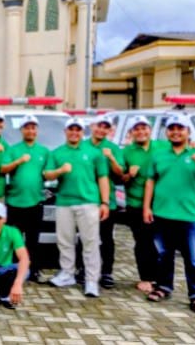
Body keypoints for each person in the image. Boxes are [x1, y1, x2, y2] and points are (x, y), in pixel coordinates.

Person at [143, 115, 195, 314]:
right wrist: (147, 207)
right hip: (162, 214)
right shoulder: (159, 155)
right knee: (163, 255)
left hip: (189, 216)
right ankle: (163, 287)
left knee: (193, 258)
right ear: (167, 132)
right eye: (172, 128)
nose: (176, 132)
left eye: (180, 128)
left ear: (188, 131)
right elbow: (150, 181)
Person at [44, 117, 110, 298]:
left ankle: (91, 280)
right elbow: (47, 175)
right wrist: (60, 171)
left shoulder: (94, 153)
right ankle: (67, 274)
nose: (74, 133)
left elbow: (103, 178)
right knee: (65, 241)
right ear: (65, 132)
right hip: (64, 202)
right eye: (71, 129)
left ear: (82, 132)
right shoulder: (57, 153)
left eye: (78, 130)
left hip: (88, 202)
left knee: (90, 242)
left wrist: (105, 202)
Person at [0, 114, 50, 284]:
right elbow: (3, 169)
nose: (30, 131)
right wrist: (18, 161)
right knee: (15, 239)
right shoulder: (13, 150)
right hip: (15, 202)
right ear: (22, 130)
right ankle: (14, 269)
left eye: (33, 127)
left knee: (33, 239)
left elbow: (49, 173)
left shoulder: (44, 151)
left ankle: (33, 270)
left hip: (35, 202)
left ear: (37, 130)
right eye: (27, 127)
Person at [121, 115, 164, 293]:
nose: (141, 132)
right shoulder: (126, 152)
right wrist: (128, 175)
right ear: (131, 132)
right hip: (136, 204)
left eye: (144, 128)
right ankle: (146, 277)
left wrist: (193, 146)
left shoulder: (163, 146)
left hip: (160, 203)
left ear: (150, 129)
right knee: (143, 242)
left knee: (160, 242)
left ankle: (161, 278)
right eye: (136, 129)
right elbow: (119, 179)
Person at [85, 115, 124, 289]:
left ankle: (107, 272)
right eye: (99, 126)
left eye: (105, 127)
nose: (101, 130)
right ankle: (84, 270)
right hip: (86, 199)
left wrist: (111, 158)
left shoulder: (113, 148)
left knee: (106, 238)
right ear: (92, 126)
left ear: (109, 130)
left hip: (107, 201)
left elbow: (120, 173)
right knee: (86, 238)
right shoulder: (83, 146)